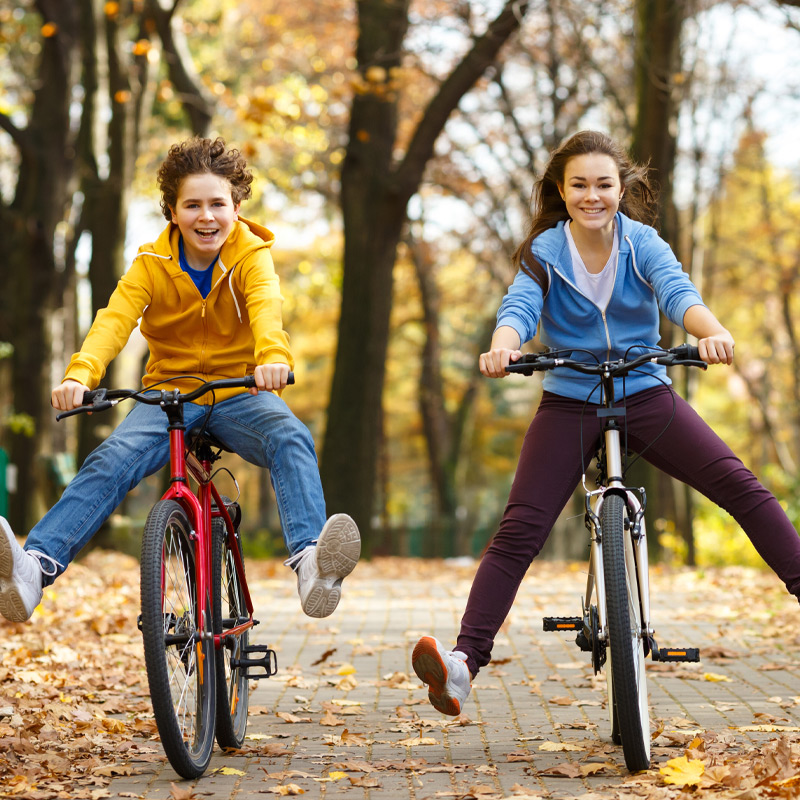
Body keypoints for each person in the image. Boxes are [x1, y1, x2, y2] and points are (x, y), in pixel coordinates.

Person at [411, 129, 800, 716]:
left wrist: (710, 332)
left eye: (603, 184)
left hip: (645, 391)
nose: (592, 196)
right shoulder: (544, 252)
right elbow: (519, 306)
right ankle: (464, 664)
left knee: (740, 486)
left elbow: (677, 292)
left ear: (621, 188)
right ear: (560, 191)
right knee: (520, 530)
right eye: (579, 185)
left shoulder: (642, 242)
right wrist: (504, 344)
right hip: (570, 399)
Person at [0, 136, 360, 624]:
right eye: (192, 205)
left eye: (217, 203)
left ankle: (312, 564)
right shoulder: (151, 264)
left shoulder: (253, 257)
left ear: (236, 206)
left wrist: (271, 359)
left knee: (290, 435)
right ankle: (33, 570)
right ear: (172, 210)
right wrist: (80, 374)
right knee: (112, 458)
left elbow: (266, 311)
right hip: (168, 395)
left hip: (239, 390)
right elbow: (113, 320)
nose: (206, 216)